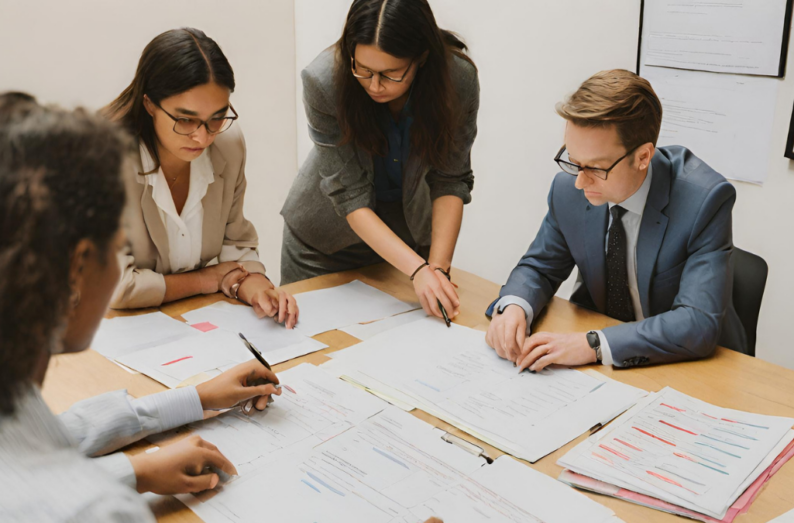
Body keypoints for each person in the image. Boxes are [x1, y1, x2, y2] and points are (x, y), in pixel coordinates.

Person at [0, 95, 288, 521]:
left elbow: (47, 439)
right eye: (117, 248)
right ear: (79, 266)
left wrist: (192, 402)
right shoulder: (97, 511)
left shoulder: (16, 395)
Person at [486, 70, 747, 371]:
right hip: (604, 368)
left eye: (596, 168)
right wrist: (515, 306)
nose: (580, 183)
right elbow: (540, 267)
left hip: (691, 366)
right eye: (573, 161)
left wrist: (593, 345)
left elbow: (697, 321)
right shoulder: (568, 190)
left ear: (643, 157)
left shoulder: (704, 201)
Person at [281, 0, 480, 320]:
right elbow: (349, 195)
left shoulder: (457, 79)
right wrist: (418, 270)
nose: (374, 85)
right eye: (363, 70)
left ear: (422, 58)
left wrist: (437, 268)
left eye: (391, 74)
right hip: (325, 244)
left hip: (405, 240)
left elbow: (451, 178)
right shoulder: (323, 80)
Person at [104, 28, 298, 328]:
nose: (202, 136)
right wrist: (208, 280)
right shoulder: (102, 160)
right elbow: (118, 288)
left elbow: (234, 241)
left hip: (182, 323)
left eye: (217, 118)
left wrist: (255, 285)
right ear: (149, 104)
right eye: (185, 119)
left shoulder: (227, 145)